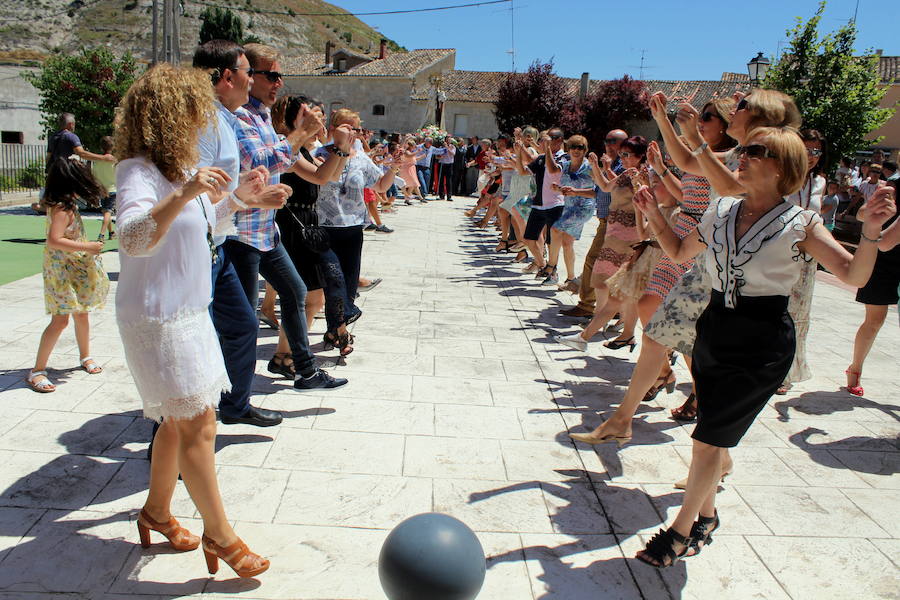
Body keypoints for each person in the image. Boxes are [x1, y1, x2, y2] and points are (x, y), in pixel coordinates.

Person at [628, 126, 895, 568]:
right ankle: (708, 516)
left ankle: (678, 532)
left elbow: (853, 276)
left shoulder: (802, 223)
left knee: (706, 440)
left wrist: (869, 231)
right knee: (712, 436)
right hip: (714, 328)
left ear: (783, 167)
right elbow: (676, 251)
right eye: (745, 149)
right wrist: (654, 212)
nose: (742, 156)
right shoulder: (720, 211)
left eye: (756, 151)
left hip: (762, 341)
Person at [114, 63, 270, 578]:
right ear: (168, 114)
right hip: (158, 316)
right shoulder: (137, 169)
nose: (203, 120)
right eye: (194, 111)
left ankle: (156, 512)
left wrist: (244, 198)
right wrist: (184, 193)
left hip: (188, 309)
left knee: (177, 423)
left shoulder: (181, 168)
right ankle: (221, 536)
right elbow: (134, 238)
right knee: (199, 423)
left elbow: (207, 226)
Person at [229, 43, 348, 391]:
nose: (279, 82)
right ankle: (234, 395)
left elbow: (321, 176)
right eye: (272, 74)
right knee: (243, 319)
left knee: (297, 294)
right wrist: (302, 136)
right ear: (249, 77)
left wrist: (337, 147)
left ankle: (304, 370)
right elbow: (262, 162)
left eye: (281, 75)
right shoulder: (239, 117)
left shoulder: (264, 118)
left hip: (267, 232)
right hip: (240, 233)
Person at [270, 95, 360, 357]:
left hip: (307, 225)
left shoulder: (304, 149)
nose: (318, 120)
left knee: (314, 297)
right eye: (311, 115)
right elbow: (321, 177)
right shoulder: (286, 147)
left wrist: (342, 148)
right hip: (293, 226)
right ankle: (286, 355)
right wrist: (341, 147)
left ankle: (289, 353)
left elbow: (331, 175)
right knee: (304, 297)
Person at [26, 159, 109, 393]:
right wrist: (89, 246)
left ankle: (85, 356)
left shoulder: (67, 204)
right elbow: (54, 240)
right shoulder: (62, 207)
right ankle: (37, 371)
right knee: (60, 319)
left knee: (82, 314)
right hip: (60, 271)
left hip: (71, 268)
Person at [315, 108, 398, 337]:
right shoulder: (319, 154)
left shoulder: (361, 158)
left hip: (352, 228)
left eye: (357, 128)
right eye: (348, 127)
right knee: (334, 284)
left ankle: (336, 331)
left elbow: (380, 186)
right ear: (333, 129)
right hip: (325, 227)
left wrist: (394, 167)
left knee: (349, 286)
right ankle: (340, 333)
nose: (354, 132)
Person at [560, 129, 628, 317]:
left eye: (613, 141)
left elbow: (615, 188)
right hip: (605, 220)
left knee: (593, 261)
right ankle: (611, 308)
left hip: (616, 222)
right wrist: (575, 191)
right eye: (606, 141)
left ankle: (587, 305)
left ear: (624, 144)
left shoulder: (622, 166)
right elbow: (599, 192)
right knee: (610, 265)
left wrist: (602, 168)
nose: (608, 145)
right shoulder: (611, 163)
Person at [846, 182, 900, 396]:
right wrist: (873, 215)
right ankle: (855, 369)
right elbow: (862, 215)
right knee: (875, 321)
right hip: (880, 261)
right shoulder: (893, 188)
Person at [546, 134, 596, 288]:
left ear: (585, 150)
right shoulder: (566, 166)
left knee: (555, 229)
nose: (576, 150)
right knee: (567, 243)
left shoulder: (590, 167)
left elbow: (597, 191)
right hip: (569, 207)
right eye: (573, 147)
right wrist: (559, 189)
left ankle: (551, 267)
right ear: (568, 149)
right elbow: (554, 171)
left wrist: (576, 191)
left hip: (583, 208)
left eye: (580, 147)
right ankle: (571, 279)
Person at [92, 135, 117, 241]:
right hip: (112, 189)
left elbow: (94, 175)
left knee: (106, 211)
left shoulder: (97, 161)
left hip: (102, 189)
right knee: (108, 212)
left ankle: (111, 233)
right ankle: (101, 234)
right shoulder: (114, 161)